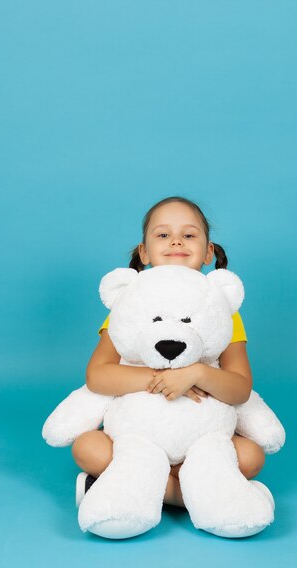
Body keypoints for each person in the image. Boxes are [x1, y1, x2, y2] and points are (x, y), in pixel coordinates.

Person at [72, 196, 265, 508]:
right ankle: (197, 495)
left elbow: (240, 388)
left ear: (208, 252)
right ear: (144, 252)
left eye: (189, 235)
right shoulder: (130, 305)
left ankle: (131, 488)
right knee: (87, 446)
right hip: (138, 435)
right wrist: (162, 378)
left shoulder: (222, 310)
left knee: (251, 456)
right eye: (163, 235)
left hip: (201, 438)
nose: (176, 240)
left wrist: (197, 374)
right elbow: (97, 375)